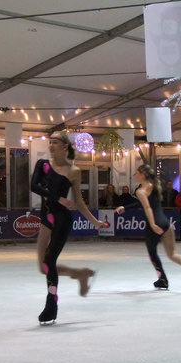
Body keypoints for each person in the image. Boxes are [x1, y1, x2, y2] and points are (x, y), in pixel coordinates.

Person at [30, 132, 106, 324]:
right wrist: (58, 198)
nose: (51, 145)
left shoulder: (74, 171)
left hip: (62, 220)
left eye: (55, 142)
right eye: (50, 142)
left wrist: (94, 222)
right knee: (44, 267)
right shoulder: (43, 165)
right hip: (46, 218)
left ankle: (51, 304)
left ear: (65, 146)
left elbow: (79, 201)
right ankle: (79, 274)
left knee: (49, 260)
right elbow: (34, 186)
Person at [116, 163, 181, 289]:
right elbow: (144, 203)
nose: (135, 175)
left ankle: (163, 279)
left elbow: (147, 208)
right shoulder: (154, 186)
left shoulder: (140, 191)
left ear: (142, 175)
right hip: (166, 223)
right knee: (172, 254)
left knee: (152, 254)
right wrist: (125, 208)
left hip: (153, 226)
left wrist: (153, 224)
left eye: (137, 173)